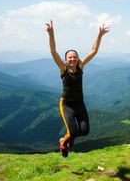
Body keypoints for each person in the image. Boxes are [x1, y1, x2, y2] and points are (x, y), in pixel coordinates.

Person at [45, 19, 109, 157]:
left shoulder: (81, 66)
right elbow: (53, 52)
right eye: (70, 57)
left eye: (75, 57)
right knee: (72, 131)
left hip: (80, 104)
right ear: (66, 60)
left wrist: (100, 35)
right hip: (66, 104)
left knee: (85, 131)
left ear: (78, 58)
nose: (73, 59)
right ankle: (63, 143)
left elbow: (93, 51)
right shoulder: (63, 68)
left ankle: (69, 139)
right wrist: (51, 33)